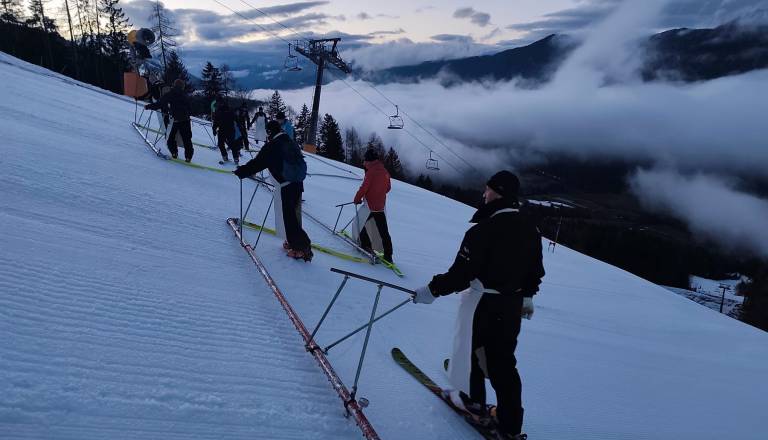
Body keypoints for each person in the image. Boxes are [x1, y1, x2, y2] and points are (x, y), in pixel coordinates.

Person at [412, 171, 544, 440]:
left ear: (499, 193)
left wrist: (431, 290)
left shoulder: (482, 230)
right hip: (512, 306)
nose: (484, 195)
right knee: (504, 362)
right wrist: (528, 296)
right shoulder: (530, 228)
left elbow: (461, 274)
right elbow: (535, 270)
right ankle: (510, 423)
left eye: (488, 190)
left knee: (470, 353)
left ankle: (472, 404)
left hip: (484, 303)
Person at [233, 120, 313, 261]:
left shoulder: (272, 146)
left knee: (289, 218)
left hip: (286, 185)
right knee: (292, 215)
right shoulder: (290, 141)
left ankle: (302, 248)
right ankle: (293, 242)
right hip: (297, 183)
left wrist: (242, 171)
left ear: (270, 132)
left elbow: (258, 163)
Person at [353, 149, 394, 263]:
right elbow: (388, 188)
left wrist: (357, 199)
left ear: (368, 160)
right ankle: (388, 255)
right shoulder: (385, 171)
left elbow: (364, 188)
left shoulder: (371, 172)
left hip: (370, 205)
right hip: (380, 205)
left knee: (360, 224)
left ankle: (366, 245)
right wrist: (379, 192)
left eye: (365, 160)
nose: (364, 163)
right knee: (383, 230)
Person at [144, 79, 194, 162]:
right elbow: (190, 108)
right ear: (182, 87)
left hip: (174, 120)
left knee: (170, 137)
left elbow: (159, 104)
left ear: (174, 85)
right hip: (185, 120)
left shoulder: (170, 94)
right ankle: (188, 157)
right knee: (187, 139)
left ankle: (174, 153)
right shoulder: (185, 95)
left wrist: (148, 106)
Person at [213, 100, 242, 164]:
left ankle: (234, 158)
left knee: (229, 144)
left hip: (229, 130)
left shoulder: (229, 111)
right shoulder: (219, 112)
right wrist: (214, 129)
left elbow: (236, 120)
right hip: (224, 130)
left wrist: (214, 129)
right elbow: (216, 122)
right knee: (223, 144)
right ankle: (227, 156)